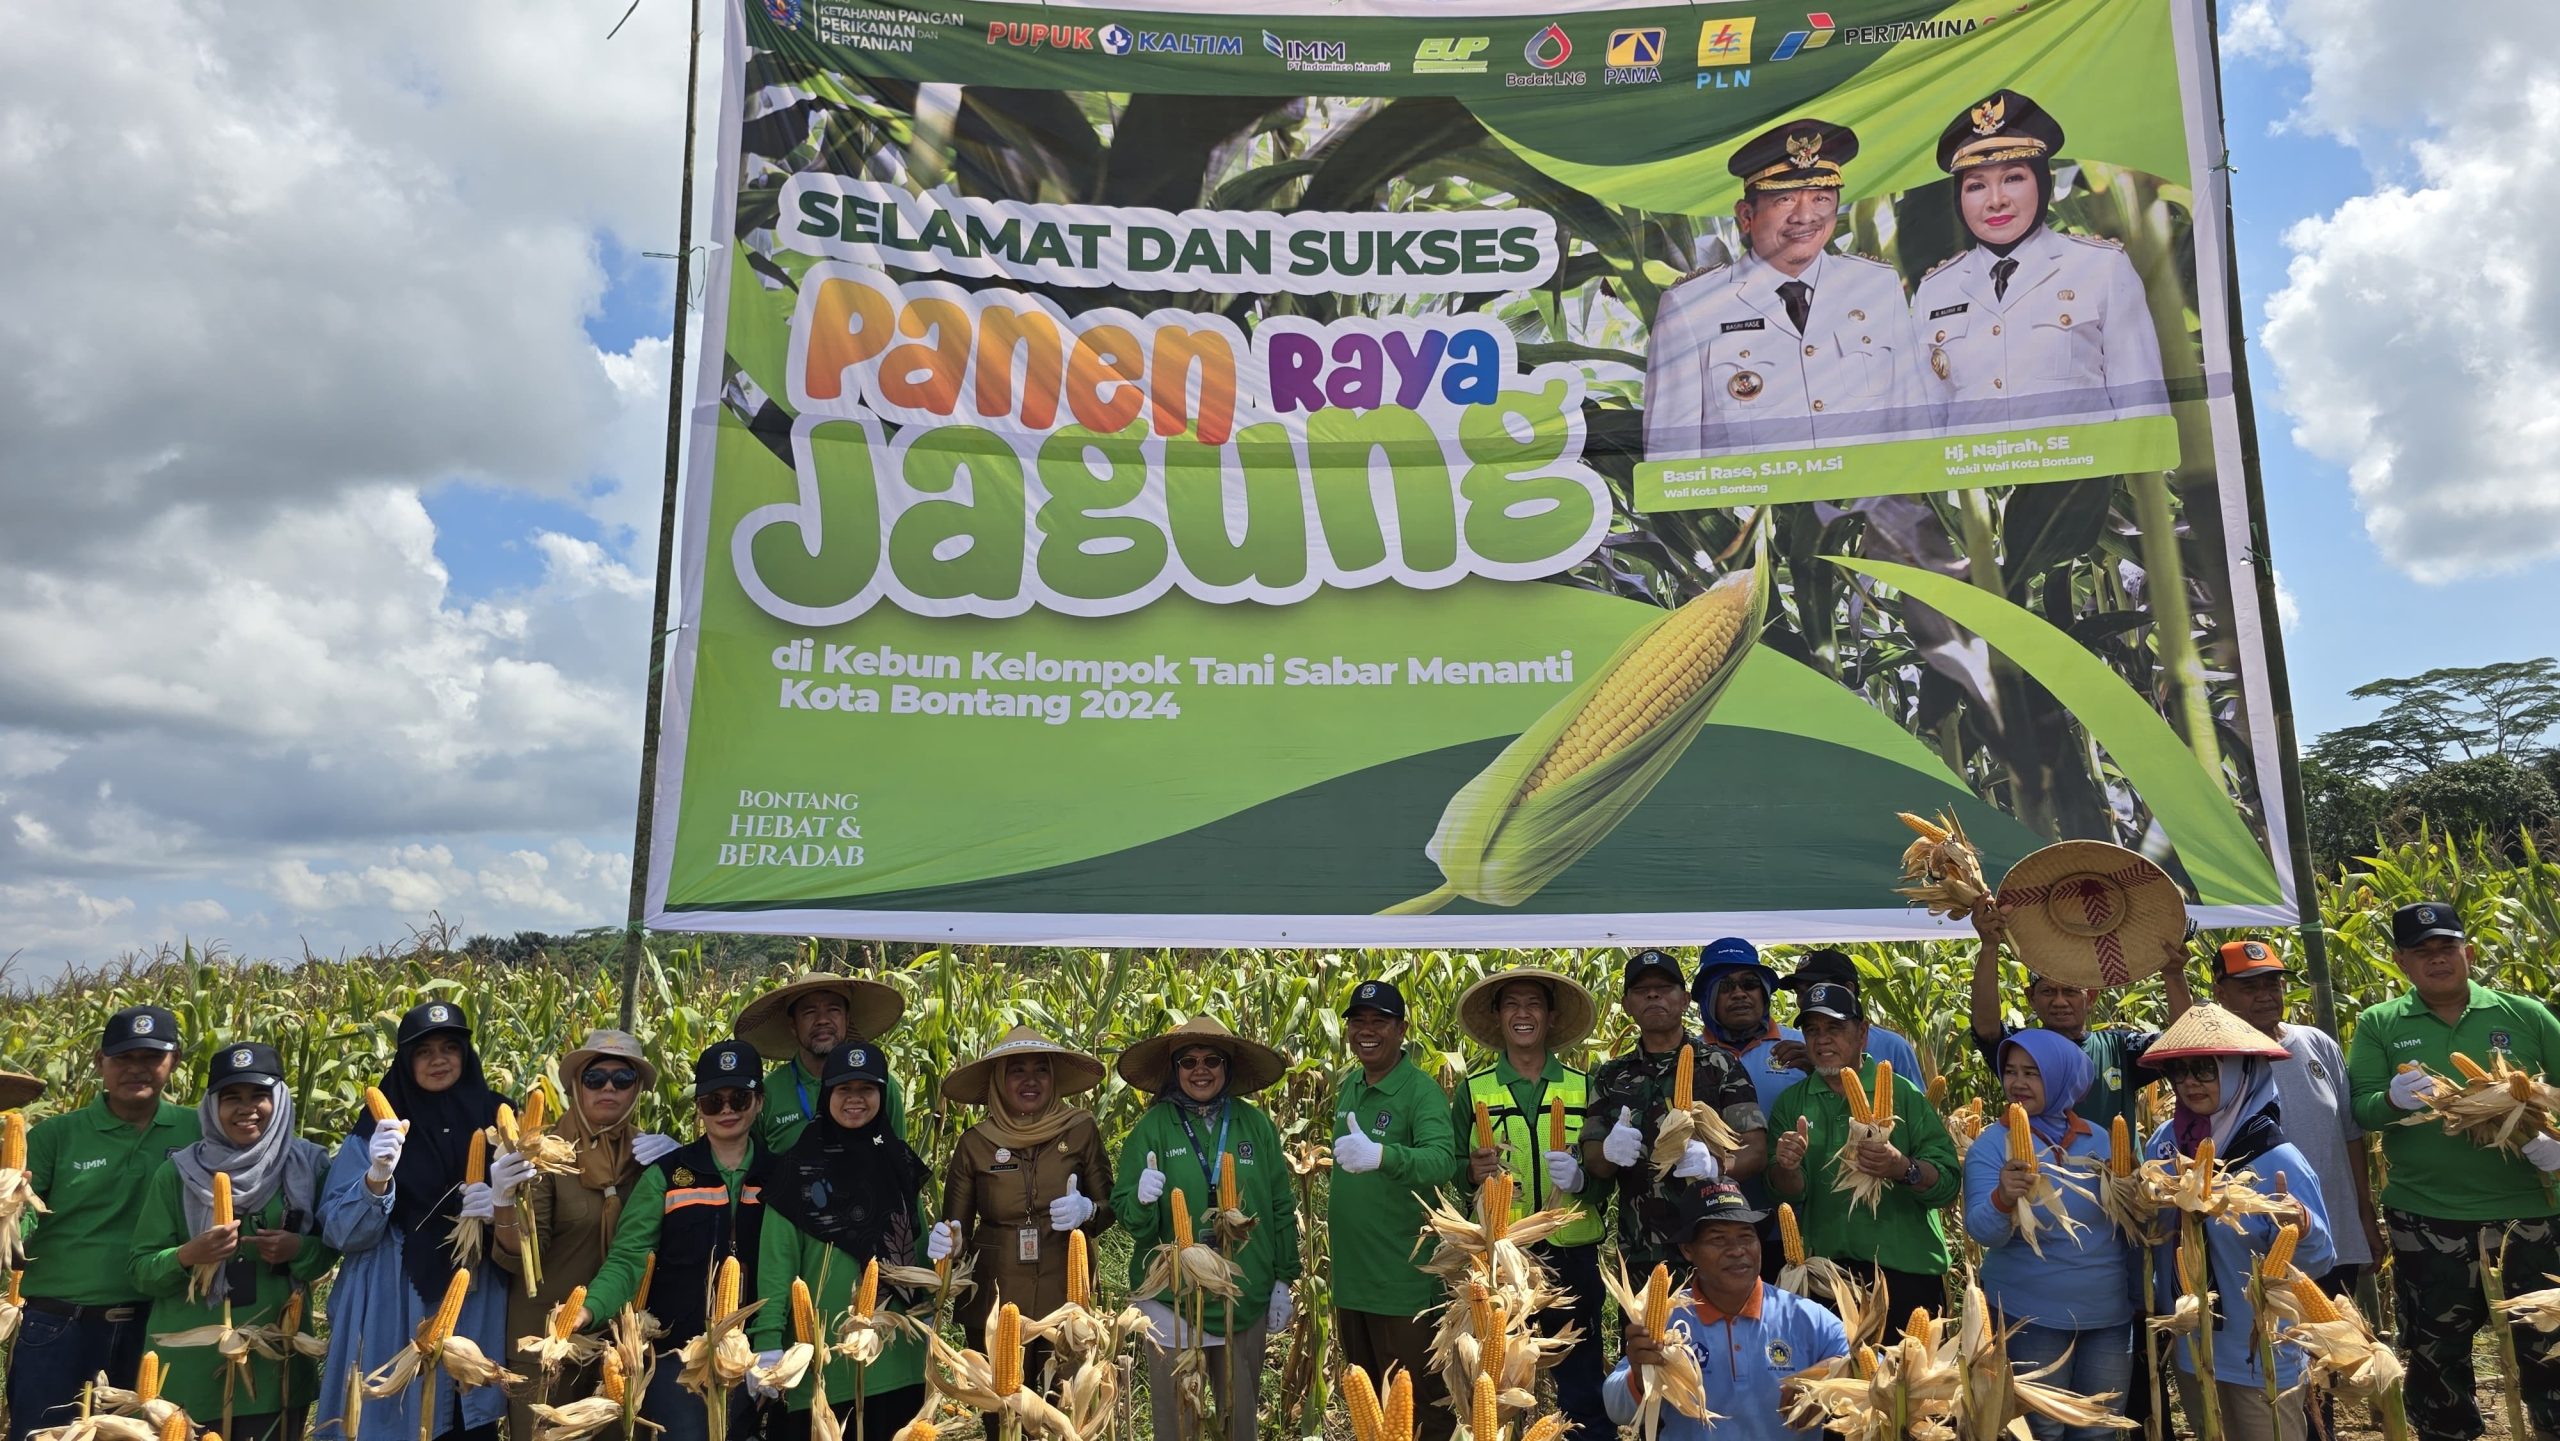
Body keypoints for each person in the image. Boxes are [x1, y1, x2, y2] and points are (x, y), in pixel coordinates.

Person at [2346, 901, 2560, 1441]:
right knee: (2438, 1358)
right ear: (2401, 961)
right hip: (2426, 1218)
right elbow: (2362, 1109)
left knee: (2550, 1351)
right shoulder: (2380, 1023)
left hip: (2530, 1215)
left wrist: (2555, 1144)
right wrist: (2394, 1099)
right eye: (2423, 952)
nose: (2438, 960)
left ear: (2467, 951)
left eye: (2447, 948)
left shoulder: (2525, 1015)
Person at [1643, 118, 1929, 458]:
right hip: (1754, 509)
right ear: (1746, 216)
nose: (1805, 217)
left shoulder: (1876, 287)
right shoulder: (1692, 307)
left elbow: (1913, 426)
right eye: (1785, 200)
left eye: (1821, 198)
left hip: (1868, 507)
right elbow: (1672, 457)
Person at [1911, 90, 2167, 433]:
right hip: (1977, 480)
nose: (1996, 201)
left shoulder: (2101, 267)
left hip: (2080, 480)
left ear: (2041, 182)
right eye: (1976, 186)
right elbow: (1926, 424)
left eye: (2013, 178)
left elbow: (2142, 409)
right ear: (1959, 198)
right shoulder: (1934, 290)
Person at [4, 1005, 201, 1441]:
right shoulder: (57, 1135)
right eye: (123, 1059)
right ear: (99, 1063)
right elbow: (21, 1236)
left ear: (175, 1060)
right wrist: (12, 1211)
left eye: (150, 1058)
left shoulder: (197, 1131)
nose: (136, 1069)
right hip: (58, 1327)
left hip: (156, 1326)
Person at [315, 1001, 509, 1441]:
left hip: (475, 1296)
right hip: (392, 1297)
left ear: (466, 1054)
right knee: (393, 1413)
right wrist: (376, 1177)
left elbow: (538, 1223)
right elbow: (339, 1231)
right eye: (424, 1052)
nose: (438, 1059)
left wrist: (503, 1206)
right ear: (405, 1061)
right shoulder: (374, 1129)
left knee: (467, 1412)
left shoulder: (499, 1116)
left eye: (450, 1047)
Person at [130, 1043, 338, 1441]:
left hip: (276, 1370)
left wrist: (298, 1250)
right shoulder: (177, 1174)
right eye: (231, 1098)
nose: (247, 1109)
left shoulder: (310, 1166)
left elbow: (328, 1252)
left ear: (279, 1099)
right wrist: (189, 1255)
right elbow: (140, 1271)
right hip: (189, 1374)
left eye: (259, 1096)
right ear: (211, 1107)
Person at [2143, 1002, 2332, 1441]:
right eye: (2181, 1071)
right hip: (2192, 1345)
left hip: (2260, 1352)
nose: (2190, 1082)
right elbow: (2154, 1237)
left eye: (2206, 1070)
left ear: (2240, 1072)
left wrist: (2299, 1224)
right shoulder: (2164, 1144)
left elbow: (2321, 1260)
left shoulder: (2275, 1156)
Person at [1110, 1017, 1299, 1441]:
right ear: (1174, 1068)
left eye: (1212, 1060)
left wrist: (1285, 1277)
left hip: (1244, 1295)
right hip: (1171, 1300)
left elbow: (1280, 1206)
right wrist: (1140, 1199)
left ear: (1228, 1068)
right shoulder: (1153, 1127)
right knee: (1176, 1420)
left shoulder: (1254, 1126)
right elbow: (1128, 1216)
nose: (1201, 1069)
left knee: (1240, 1420)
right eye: (1189, 1060)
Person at [580, 1040, 776, 1441]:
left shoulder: (780, 1175)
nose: (726, 1111)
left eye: (739, 1098)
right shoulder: (667, 1176)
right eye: (712, 1101)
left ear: (758, 1102)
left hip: (759, 1355)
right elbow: (630, 1258)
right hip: (678, 1357)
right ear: (698, 1107)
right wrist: (588, 1309)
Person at [2167, 940, 2379, 1294]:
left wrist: (2364, 1214)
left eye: (2272, 984)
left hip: (2335, 1233)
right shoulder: (2223, 1061)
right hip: (2260, 1246)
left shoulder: (2317, 1043)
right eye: (2249, 987)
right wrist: (2174, 976)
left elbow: (2349, 1135)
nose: (2265, 995)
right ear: (2220, 992)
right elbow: (2185, 1045)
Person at [1450, 967, 1608, 1441]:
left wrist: (1583, 1178)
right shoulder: (1473, 1090)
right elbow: (1452, 1167)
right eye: (1512, 1004)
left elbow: (1606, 1176)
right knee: (1497, 1385)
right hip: (1502, 1257)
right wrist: (1468, 1174)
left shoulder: (1584, 1086)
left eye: (1533, 1004)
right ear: (1498, 1017)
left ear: (1551, 1015)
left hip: (1572, 1255)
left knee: (1582, 1382)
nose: (1523, 1013)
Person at [495, 1029, 674, 1440]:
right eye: (595, 1079)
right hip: (546, 1340)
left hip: (621, 1343)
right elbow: (521, 1253)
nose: (608, 1088)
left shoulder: (652, 1158)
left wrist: (684, 1163)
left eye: (622, 1079)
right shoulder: (541, 1155)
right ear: (577, 1086)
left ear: (637, 1092)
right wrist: (504, 1202)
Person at [751, 1042, 930, 1441]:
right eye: (842, 1089)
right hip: (824, 1366)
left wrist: (930, 1302)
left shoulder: (898, 1161)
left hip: (902, 1358)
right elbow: (778, 1266)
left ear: (882, 1097)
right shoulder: (795, 1172)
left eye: (866, 1089)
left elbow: (914, 1244)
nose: (855, 1099)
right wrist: (766, 1343)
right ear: (825, 1094)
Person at [1961, 1031, 2135, 1441]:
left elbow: (2129, 1224)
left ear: (2062, 1078)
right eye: (2010, 1072)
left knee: (2098, 1431)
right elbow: (1984, 1232)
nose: (2018, 1084)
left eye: (2032, 1073)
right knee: (2041, 1433)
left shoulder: (2101, 1138)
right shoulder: (1992, 1146)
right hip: (2031, 1318)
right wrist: (2004, 1197)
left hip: (2107, 1317)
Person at [1767, 982, 1961, 1319]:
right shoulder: (1792, 1102)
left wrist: (1902, 1167)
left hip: (1906, 1271)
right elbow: (1791, 1192)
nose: (1822, 1039)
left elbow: (1947, 1186)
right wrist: (1786, 1166)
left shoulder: (1904, 1095)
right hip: (1827, 1276)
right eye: (1812, 1030)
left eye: (1835, 1028)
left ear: (1863, 1033)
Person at [928, 1026, 1113, 1367]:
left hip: (1066, 1297)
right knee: (1001, 1411)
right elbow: (957, 1228)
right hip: (994, 1302)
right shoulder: (975, 1143)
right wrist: (949, 1244)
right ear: (999, 1080)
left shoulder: (1080, 1130)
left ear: (1053, 1078)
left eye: (1041, 1070)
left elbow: (1110, 1208)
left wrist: (1087, 1210)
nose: (1031, 1080)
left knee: (1066, 1407)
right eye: (1018, 1071)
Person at [1602, 1184, 1848, 1441]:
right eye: (1718, 1239)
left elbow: (1876, 1364)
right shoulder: (1668, 1320)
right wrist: (1641, 1373)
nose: (1737, 1250)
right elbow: (1616, 1408)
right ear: (1688, 1250)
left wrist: (1823, 1377)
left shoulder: (1803, 1315)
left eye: (1746, 1237)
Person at [1586, 949, 1768, 1286]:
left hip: (1712, 1246)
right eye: (1642, 990)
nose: (1653, 995)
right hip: (1641, 1249)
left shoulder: (1720, 1065)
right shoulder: (1612, 1076)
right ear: (1626, 1005)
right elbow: (1595, 1160)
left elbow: (1755, 1150)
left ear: (1684, 1000)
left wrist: (1716, 1165)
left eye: (1665, 988)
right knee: (1644, 1339)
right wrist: (1609, 1154)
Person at [1329, 980, 1460, 1441]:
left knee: (1419, 1408)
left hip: (1402, 1284)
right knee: (1370, 1412)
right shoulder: (1350, 1087)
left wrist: (1385, 1156)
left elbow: (1442, 1160)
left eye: (1379, 1021)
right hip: (1353, 1282)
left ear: (1401, 1029)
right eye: (1358, 1021)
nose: (1367, 1031)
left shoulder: (1419, 1091)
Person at [1969, 899, 2188, 1132]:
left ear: (2091, 998)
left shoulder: (2120, 1050)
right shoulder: (2019, 1050)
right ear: (2031, 998)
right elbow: (1986, 1027)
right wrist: (1990, 947)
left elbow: (2183, 1043)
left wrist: (2173, 975)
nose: (2059, 1001)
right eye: (2048, 991)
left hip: (2113, 1170)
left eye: (2071, 991)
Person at [735, 971, 907, 1151]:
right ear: (793, 1025)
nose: (822, 1020)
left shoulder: (880, 1084)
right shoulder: (768, 1093)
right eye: (809, 1012)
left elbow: (898, 1164)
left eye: (833, 1010)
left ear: (847, 1020)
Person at [1773, 950, 1923, 1080]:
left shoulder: (1893, 1046)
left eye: (1817, 989)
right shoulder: (1799, 1049)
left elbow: (1917, 1106)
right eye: (1800, 992)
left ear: (1848, 989)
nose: (1807, 998)